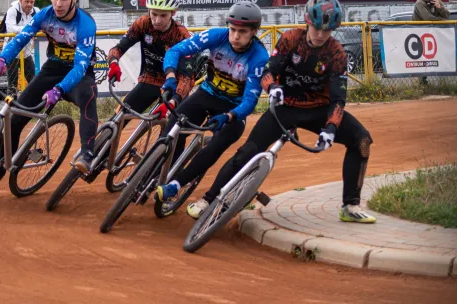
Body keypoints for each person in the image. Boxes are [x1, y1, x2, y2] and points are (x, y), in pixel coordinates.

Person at [188, 0, 377, 223]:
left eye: (327, 30)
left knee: (362, 139)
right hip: (284, 107)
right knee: (248, 151)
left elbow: (338, 98)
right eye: (317, 28)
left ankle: (350, 205)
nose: (321, 34)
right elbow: (268, 71)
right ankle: (208, 199)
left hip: (319, 110)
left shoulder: (336, 53)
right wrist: (272, 88)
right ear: (308, 22)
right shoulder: (291, 39)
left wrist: (331, 127)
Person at [155, 2, 269, 208]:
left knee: (215, 146)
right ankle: (162, 170)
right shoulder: (218, 35)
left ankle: (176, 184)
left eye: (242, 32)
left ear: (254, 31)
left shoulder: (259, 57)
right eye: (233, 29)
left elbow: (250, 102)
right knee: (174, 125)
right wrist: (170, 77)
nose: (235, 36)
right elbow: (175, 51)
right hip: (206, 95)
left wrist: (230, 116)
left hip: (233, 110)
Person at [0, 0, 98, 181]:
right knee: (16, 117)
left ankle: (87, 155)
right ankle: (2, 164)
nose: (58, 4)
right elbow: (21, 39)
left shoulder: (85, 24)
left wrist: (59, 89)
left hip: (79, 74)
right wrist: (3, 59)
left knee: (88, 97)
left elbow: (80, 66)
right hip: (52, 69)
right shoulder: (45, 15)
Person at [106, 0, 193, 127]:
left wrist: (175, 100)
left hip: (175, 83)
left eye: (163, 15)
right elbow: (118, 48)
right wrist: (113, 63)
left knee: (173, 130)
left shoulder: (181, 35)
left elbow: (187, 78)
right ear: (149, 11)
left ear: (173, 13)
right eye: (154, 14)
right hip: (151, 78)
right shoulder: (143, 24)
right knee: (119, 116)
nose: (157, 20)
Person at [3, 0, 40, 96]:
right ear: (20, 1)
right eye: (26, 1)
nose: (29, 4)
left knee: (34, 81)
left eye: (31, 2)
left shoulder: (36, 11)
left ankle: (34, 105)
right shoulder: (13, 10)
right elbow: (11, 28)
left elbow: (41, 26)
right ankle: (10, 108)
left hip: (26, 52)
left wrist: (31, 30)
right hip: (12, 52)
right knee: (12, 86)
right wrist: (30, 29)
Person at [413, 0, 449, 85]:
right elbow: (428, 17)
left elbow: (447, 15)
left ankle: (437, 79)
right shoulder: (420, 3)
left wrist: (439, 8)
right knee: (422, 58)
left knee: (434, 56)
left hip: (433, 34)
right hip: (419, 34)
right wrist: (442, 20)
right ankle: (422, 81)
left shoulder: (438, 2)